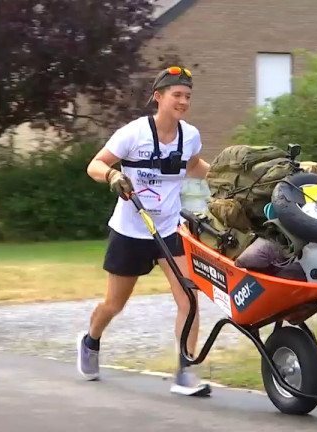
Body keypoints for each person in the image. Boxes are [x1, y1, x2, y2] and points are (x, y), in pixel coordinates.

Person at [76, 66, 212, 397]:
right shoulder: (133, 133)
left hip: (168, 228)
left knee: (189, 298)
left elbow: (192, 165)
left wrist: (225, 177)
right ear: (159, 97)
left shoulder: (189, 135)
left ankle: (185, 372)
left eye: (187, 97)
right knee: (114, 304)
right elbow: (95, 164)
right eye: (176, 95)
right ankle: (91, 340)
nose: (182, 102)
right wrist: (112, 176)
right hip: (131, 230)